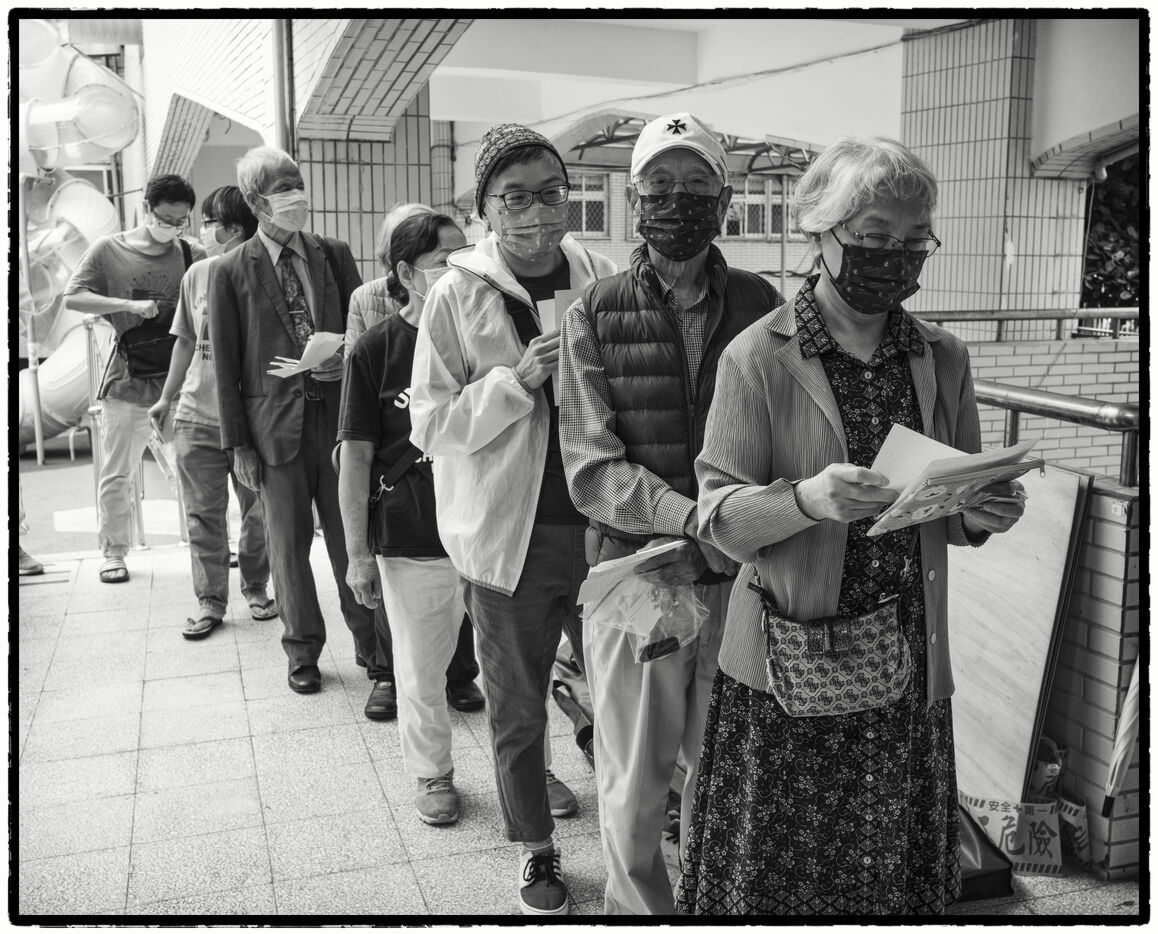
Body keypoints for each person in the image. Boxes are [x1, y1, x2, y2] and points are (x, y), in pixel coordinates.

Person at [675, 137, 1027, 915]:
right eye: (873, 236)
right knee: (777, 885)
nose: (894, 257)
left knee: (887, 880)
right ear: (821, 231)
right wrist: (806, 500)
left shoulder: (941, 356)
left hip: (905, 666)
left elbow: (954, 507)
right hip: (791, 667)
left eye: (914, 240)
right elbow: (718, 521)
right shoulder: (757, 358)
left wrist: (982, 511)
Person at [558, 112, 781, 915]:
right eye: (659, 185)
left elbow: (783, 438)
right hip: (637, 578)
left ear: (724, 200)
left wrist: (735, 531)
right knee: (634, 779)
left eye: (695, 185)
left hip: (739, 579)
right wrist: (697, 520)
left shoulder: (763, 304)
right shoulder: (592, 310)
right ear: (634, 198)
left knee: (728, 773)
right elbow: (591, 468)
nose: (676, 200)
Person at [409, 123, 616, 916]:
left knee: (625, 695)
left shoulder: (600, 275)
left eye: (552, 193)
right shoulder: (455, 294)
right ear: (486, 207)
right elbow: (431, 425)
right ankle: (536, 849)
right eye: (516, 198)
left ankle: (637, 821)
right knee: (519, 706)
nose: (537, 212)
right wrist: (515, 381)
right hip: (510, 540)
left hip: (603, 527)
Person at [208, 145, 382, 705]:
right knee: (287, 548)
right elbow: (227, 365)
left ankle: (374, 650)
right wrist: (237, 444)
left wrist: (345, 357)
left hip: (340, 422)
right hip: (271, 430)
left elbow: (364, 330)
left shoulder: (333, 253)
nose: (295, 195)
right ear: (255, 200)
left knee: (352, 539)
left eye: (296, 182)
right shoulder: (229, 270)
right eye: (281, 187)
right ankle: (303, 652)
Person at [338, 211, 473, 824]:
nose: (459, 271)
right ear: (406, 273)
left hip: (487, 527)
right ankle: (432, 772)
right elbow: (355, 456)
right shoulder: (376, 349)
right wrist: (357, 555)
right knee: (419, 668)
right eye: (445, 261)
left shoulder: (481, 335)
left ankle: (534, 771)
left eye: (465, 257)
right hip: (412, 532)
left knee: (513, 666)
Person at [64, 173, 207, 583]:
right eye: (165, 218)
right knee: (118, 473)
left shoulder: (192, 253)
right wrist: (127, 305)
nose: (172, 227)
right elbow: (73, 297)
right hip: (128, 380)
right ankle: (113, 552)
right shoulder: (108, 251)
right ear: (146, 208)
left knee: (197, 470)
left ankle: (210, 545)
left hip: (181, 382)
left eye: (180, 221)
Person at [147, 186, 275, 639]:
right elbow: (185, 340)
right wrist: (166, 397)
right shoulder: (197, 274)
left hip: (252, 421)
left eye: (209, 221)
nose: (202, 229)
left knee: (259, 512)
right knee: (203, 516)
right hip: (196, 416)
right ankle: (210, 600)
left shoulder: (264, 274)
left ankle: (256, 586)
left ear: (234, 228)